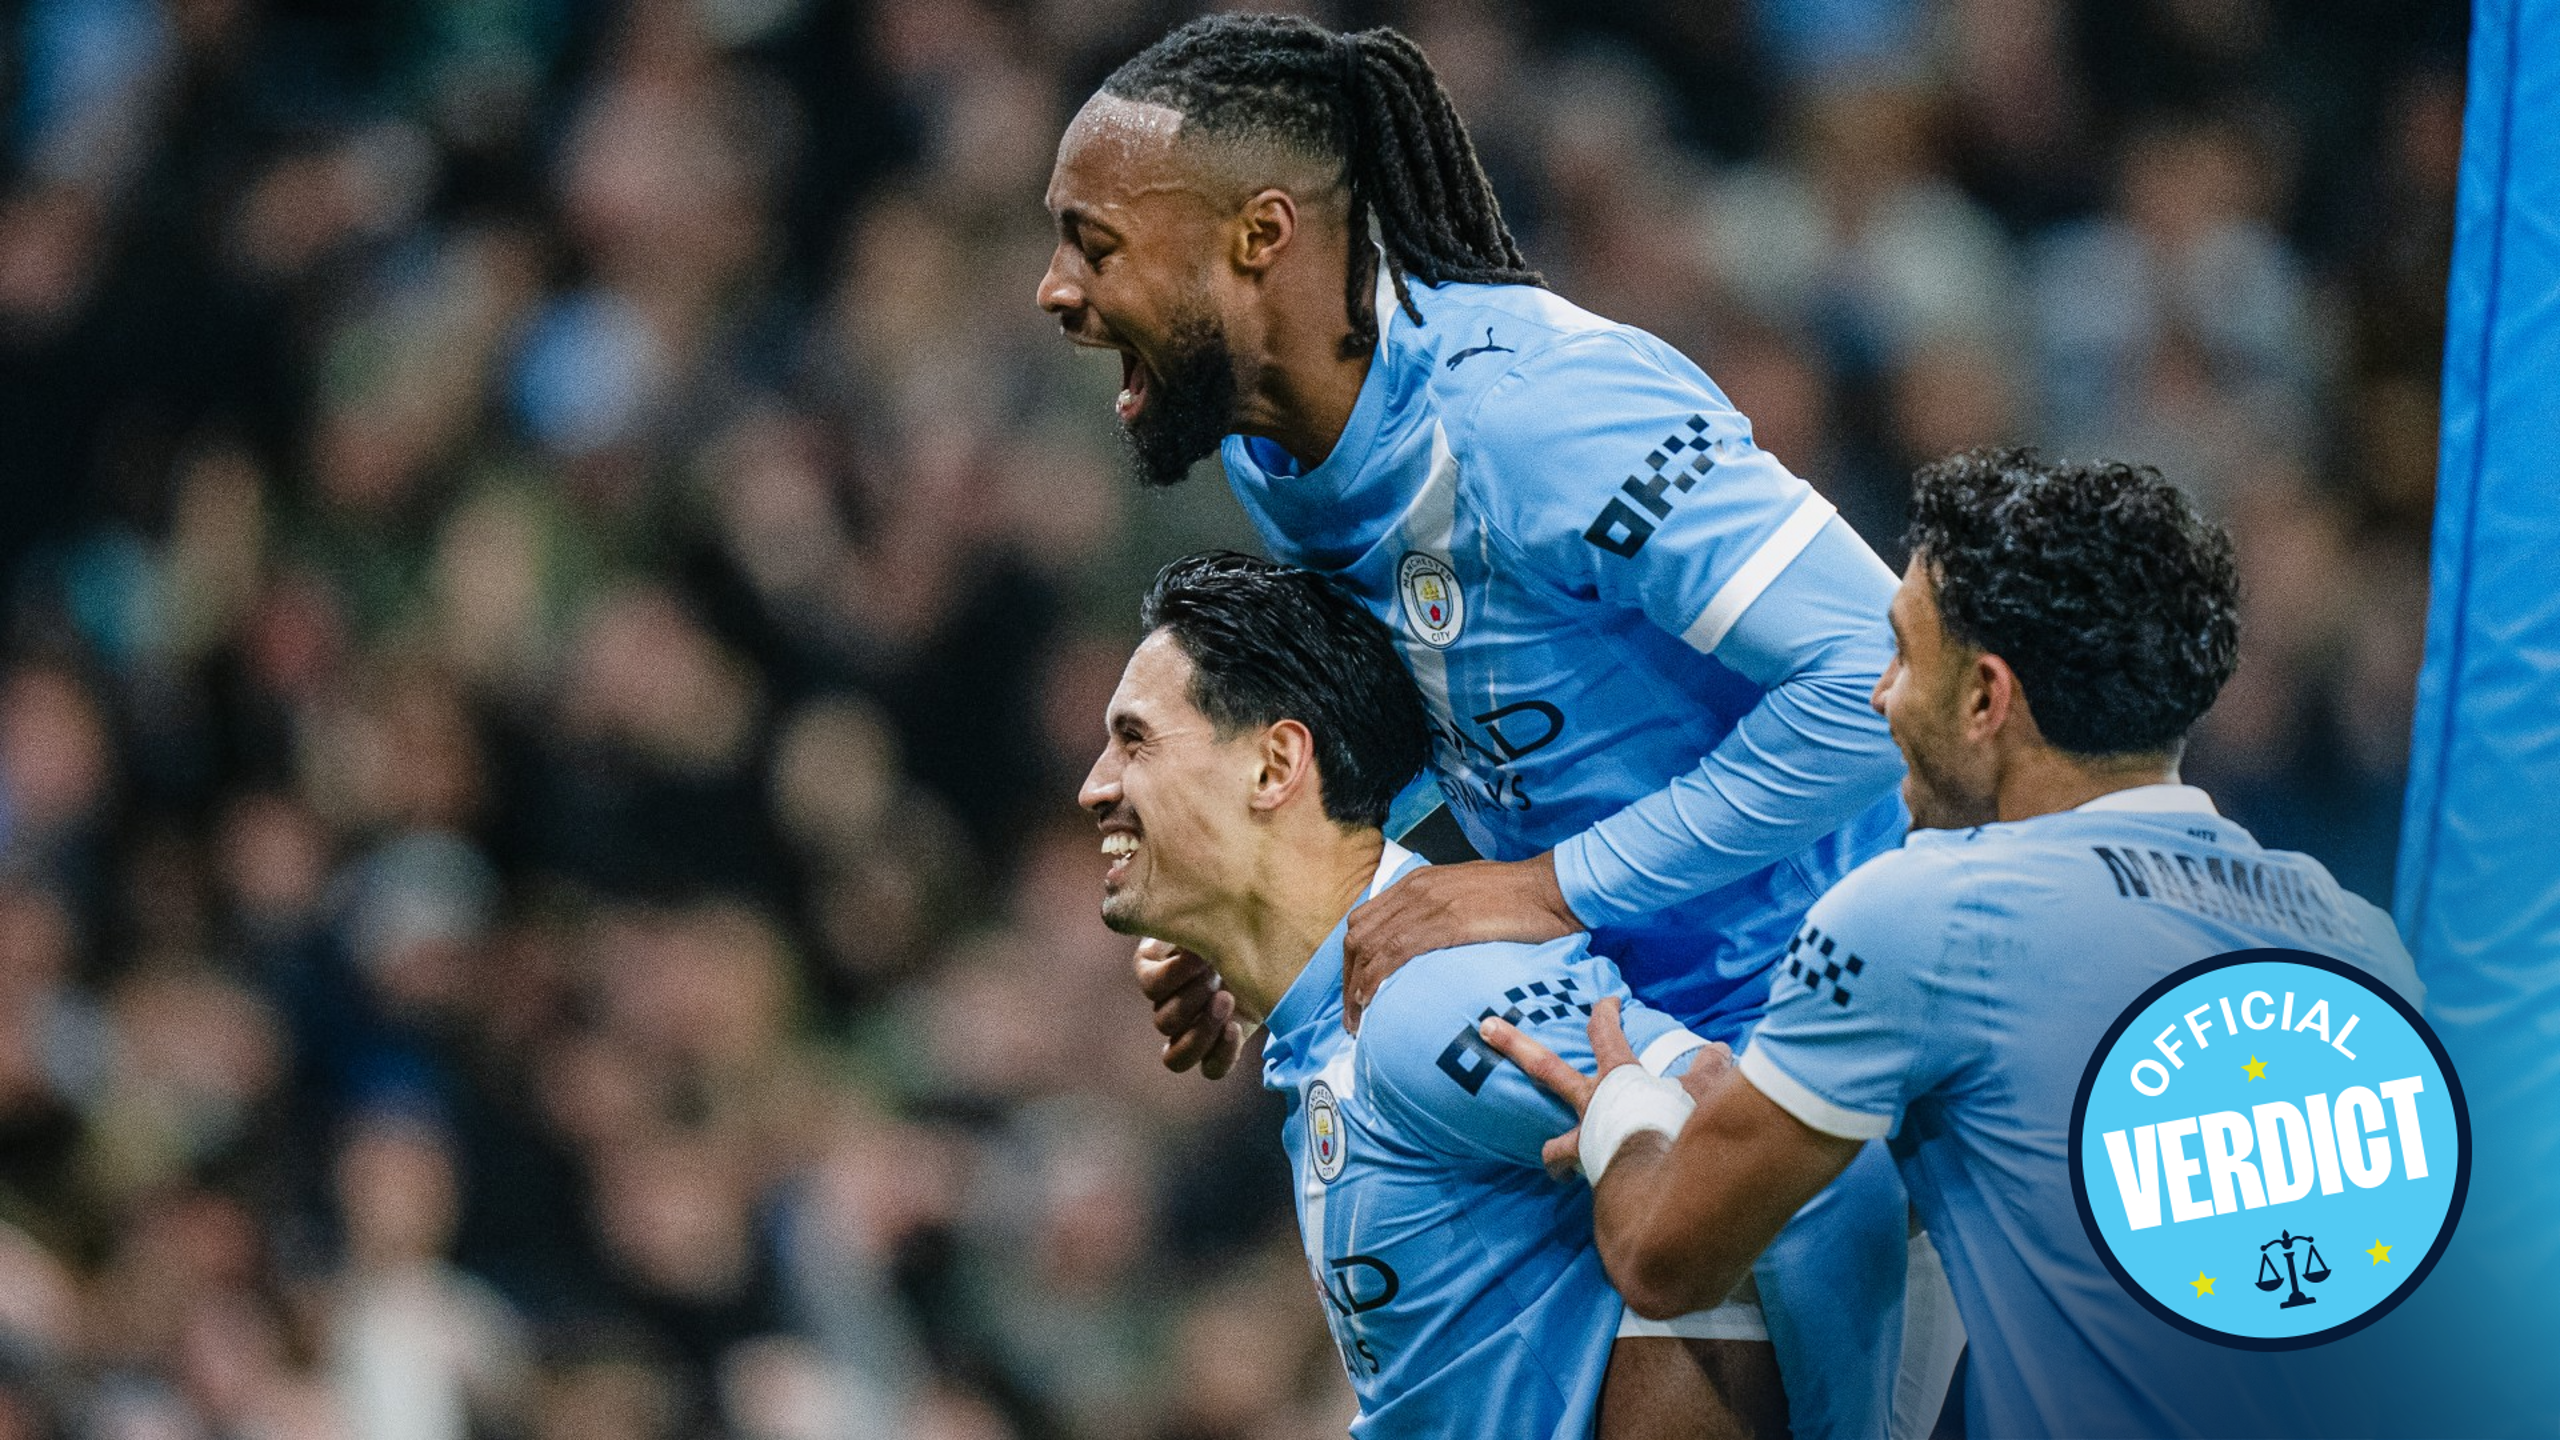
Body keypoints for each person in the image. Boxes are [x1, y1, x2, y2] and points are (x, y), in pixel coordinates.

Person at [1034, 17, 1928, 1436]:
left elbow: (1879, 687)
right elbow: (1452, 724)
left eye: (1094, 244)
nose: (1056, 291)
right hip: (1636, 1036)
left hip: (1855, 1045)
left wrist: (1553, 886)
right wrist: (1266, 905)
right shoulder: (1281, 461)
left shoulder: (1539, 414)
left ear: (1258, 237)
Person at [1481, 449, 2426, 1437]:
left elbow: (1666, 1259)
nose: (1879, 694)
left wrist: (1630, 1113)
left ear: (1984, 698)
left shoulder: (1922, 916)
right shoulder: (2358, 938)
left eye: (1900, 654)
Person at [1079, 551, 1777, 1439]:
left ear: (1273, 765)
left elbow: (1742, 1135)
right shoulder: (1328, 1024)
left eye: (1135, 740)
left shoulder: (1423, 1000)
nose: (1094, 786)